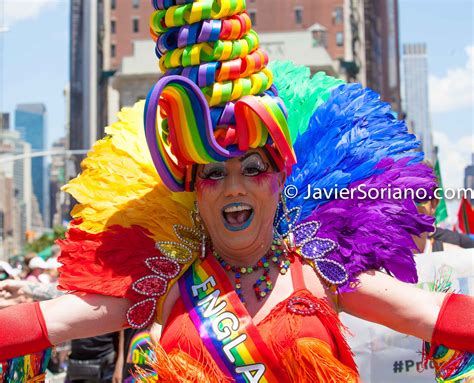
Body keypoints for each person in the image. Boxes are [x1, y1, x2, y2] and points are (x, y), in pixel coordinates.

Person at [1, 1, 473, 382]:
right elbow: (47, 323)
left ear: (282, 178)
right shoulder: (163, 286)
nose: (234, 187)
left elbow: (434, 313)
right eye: (212, 173)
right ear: (192, 189)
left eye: (252, 168)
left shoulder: (324, 275)